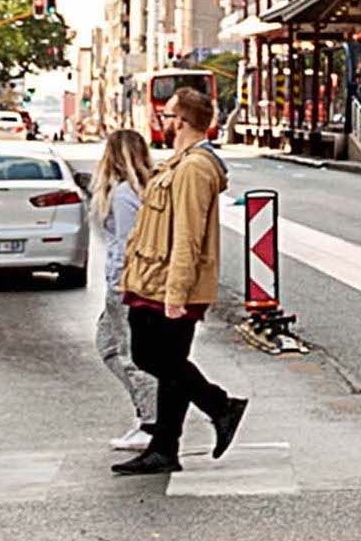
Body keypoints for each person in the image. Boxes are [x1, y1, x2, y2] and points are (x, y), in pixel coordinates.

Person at [112, 87, 249, 475]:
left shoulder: (193, 169)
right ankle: (165, 448)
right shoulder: (180, 162)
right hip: (153, 277)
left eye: (168, 115)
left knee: (153, 357)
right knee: (169, 363)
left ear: (183, 122)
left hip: (169, 282)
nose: (163, 120)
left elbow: (188, 235)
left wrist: (177, 292)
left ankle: (220, 406)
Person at [90, 129, 160, 453]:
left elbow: (125, 244)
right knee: (108, 345)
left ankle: (151, 422)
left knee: (131, 355)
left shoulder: (121, 195)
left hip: (125, 283)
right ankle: (147, 412)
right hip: (134, 282)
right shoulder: (143, 189)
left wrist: (117, 285)